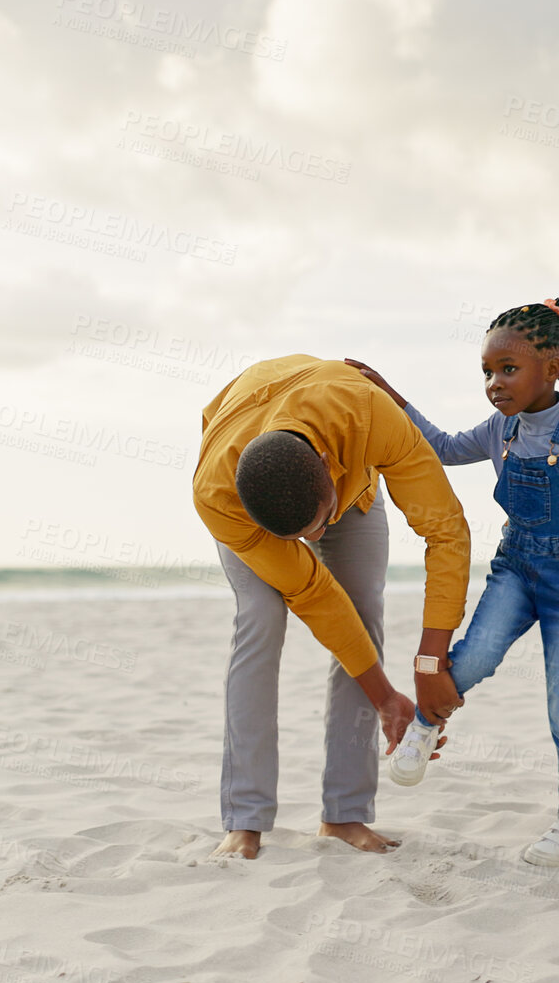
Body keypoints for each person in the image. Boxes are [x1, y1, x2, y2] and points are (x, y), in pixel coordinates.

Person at [350, 297, 559, 867]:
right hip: (515, 567)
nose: (494, 383)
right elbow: (445, 448)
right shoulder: (498, 427)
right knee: (474, 658)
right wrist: (392, 397)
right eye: (487, 371)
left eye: (508, 369)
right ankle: (427, 724)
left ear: (552, 368)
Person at [193, 355, 470, 859]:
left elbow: (445, 530)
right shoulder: (217, 495)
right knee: (261, 616)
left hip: (347, 460)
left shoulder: (372, 416)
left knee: (363, 606)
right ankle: (245, 821)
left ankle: (344, 815)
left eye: (317, 525)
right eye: (299, 538)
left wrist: (430, 661)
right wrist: (386, 696)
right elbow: (315, 595)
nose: (313, 541)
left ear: (325, 467)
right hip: (244, 489)